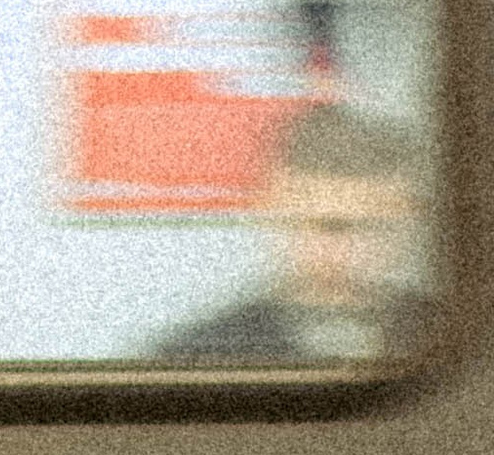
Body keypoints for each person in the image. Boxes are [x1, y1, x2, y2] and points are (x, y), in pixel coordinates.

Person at [151, 98, 436, 367]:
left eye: (374, 229)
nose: (345, 252)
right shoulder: (199, 356)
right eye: (325, 227)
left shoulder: (452, 342)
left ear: (411, 224)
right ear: (271, 211)